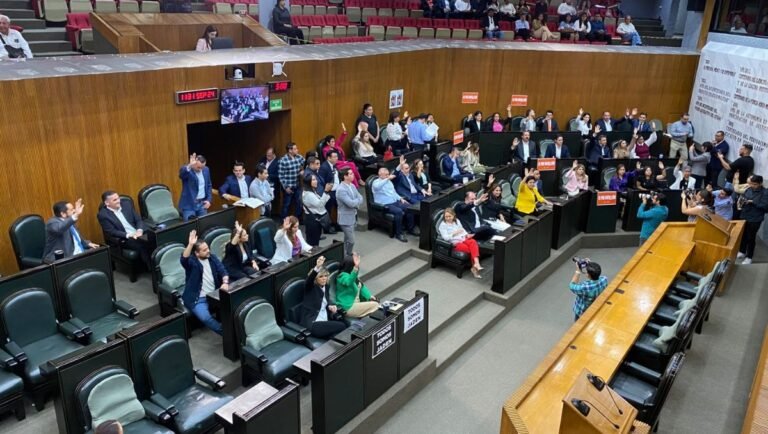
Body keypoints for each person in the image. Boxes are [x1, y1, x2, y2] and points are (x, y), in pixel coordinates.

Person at [181, 230, 228, 335]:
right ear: (197, 253)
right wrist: (190, 244)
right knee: (206, 318)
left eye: (208, 248)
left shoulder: (212, 258)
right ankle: (227, 334)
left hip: (214, 294)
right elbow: (184, 260)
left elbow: (223, 271)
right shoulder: (192, 263)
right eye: (204, 250)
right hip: (198, 299)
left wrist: (225, 282)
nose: (208, 251)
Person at [97, 190, 151, 268]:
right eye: (115, 200)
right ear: (107, 203)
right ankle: (151, 268)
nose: (118, 201)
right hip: (125, 238)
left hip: (138, 233)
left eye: (118, 198)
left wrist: (139, 230)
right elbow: (112, 232)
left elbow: (138, 220)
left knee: (155, 237)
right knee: (142, 244)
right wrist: (129, 235)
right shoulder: (103, 215)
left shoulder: (126, 205)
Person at [301, 256, 347, 338]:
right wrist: (317, 268)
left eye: (325, 276)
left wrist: (330, 305)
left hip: (324, 320)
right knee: (342, 326)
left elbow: (326, 300)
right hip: (313, 323)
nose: (324, 279)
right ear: (316, 279)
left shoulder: (326, 286)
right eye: (321, 277)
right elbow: (308, 281)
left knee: (341, 330)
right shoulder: (311, 288)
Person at [371, 166, 419, 242]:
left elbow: (394, 193)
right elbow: (377, 187)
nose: (388, 176)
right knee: (399, 211)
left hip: (395, 202)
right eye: (386, 175)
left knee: (410, 208)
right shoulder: (376, 182)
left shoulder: (389, 182)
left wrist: (400, 198)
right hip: (385, 205)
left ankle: (411, 229)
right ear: (380, 174)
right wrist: (387, 179)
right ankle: (398, 234)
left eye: (388, 174)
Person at [438, 207, 484, 278]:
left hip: (463, 238)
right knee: (471, 249)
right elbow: (445, 238)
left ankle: (476, 264)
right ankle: (475, 268)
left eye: (450, 216)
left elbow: (462, 229)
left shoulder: (457, 221)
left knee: (473, 242)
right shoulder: (442, 225)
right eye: (446, 217)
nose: (448, 218)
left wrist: (467, 235)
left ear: (453, 215)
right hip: (455, 243)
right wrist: (454, 233)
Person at [335, 253, 380, 318]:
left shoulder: (353, 276)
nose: (358, 267)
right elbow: (348, 282)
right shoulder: (341, 276)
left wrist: (370, 296)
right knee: (375, 305)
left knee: (374, 302)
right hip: (348, 306)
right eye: (355, 265)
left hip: (356, 303)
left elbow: (361, 287)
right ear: (351, 266)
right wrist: (355, 268)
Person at [736, 175, 768, 265]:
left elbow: (765, 207)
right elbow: (743, 196)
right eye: (751, 184)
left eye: (755, 184)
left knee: (751, 237)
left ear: (760, 183)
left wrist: (753, 202)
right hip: (744, 215)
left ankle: (749, 257)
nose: (752, 186)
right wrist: (741, 201)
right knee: (743, 235)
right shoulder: (749, 189)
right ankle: (742, 251)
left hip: (755, 218)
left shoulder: (765, 192)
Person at [336, 168, 364, 255]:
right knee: (351, 240)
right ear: (345, 176)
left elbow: (361, 197)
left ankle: (345, 254)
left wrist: (356, 201)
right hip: (345, 219)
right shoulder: (341, 190)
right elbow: (351, 203)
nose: (353, 175)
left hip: (352, 216)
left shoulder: (352, 185)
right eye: (351, 174)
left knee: (347, 239)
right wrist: (357, 201)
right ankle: (348, 253)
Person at [179, 153, 212, 221]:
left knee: (204, 225)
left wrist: (209, 200)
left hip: (202, 204)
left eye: (202, 167)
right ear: (194, 164)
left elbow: (209, 185)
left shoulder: (206, 169)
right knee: (190, 227)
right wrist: (190, 165)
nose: (200, 170)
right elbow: (181, 175)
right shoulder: (187, 170)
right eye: (198, 167)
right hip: (189, 205)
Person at [302, 174, 332, 247]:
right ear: (308, 182)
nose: (316, 181)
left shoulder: (312, 191)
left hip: (315, 219)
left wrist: (327, 192)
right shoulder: (308, 194)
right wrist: (325, 191)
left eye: (315, 179)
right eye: (313, 180)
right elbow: (320, 205)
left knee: (315, 241)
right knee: (313, 243)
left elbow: (321, 202)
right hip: (312, 220)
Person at [278, 142, 305, 219]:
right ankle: (284, 220)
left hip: (297, 185)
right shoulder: (283, 160)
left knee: (299, 203)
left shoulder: (299, 157)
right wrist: (286, 187)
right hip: (288, 186)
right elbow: (281, 176)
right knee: (286, 204)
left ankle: (296, 219)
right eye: (295, 149)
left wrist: (303, 170)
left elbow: (307, 163)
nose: (297, 150)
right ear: (290, 150)